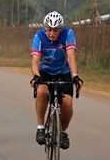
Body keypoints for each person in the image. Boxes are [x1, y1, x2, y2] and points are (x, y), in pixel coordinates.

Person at [30, 11, 83, 150]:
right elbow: (35, 60)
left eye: (55, 30)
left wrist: (75, 76)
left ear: (60, 29)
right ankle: (40, 128)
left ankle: (64, 132)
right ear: (45, 29)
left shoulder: (68, 34)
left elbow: (71, 58)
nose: (52, 33)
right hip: (45, 72)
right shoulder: (39, 36)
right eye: (49, 30)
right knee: (42, 92)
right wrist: (36, 76)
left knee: (67, 104)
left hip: (63, 72)